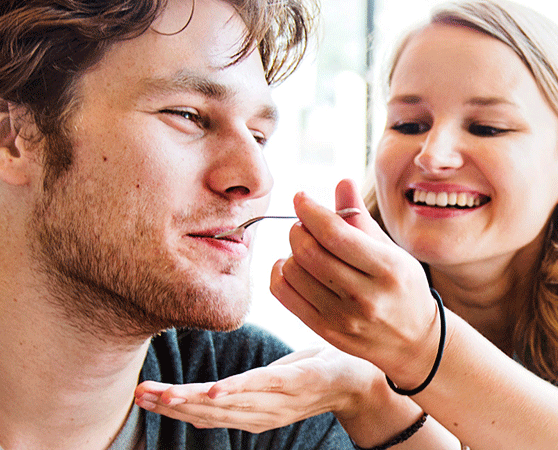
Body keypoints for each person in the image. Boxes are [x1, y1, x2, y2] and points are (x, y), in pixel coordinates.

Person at [137, 1, 558, 449]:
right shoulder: (333, 340)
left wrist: (420, 349)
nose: (432, 156)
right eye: (408, 124)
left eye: (487, 128)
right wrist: (367, 394)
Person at [0, 0, 365, 448]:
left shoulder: (265, 404)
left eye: (258, 136)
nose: (256, 177)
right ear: (14, 138)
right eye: (188, 115)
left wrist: (387, 387)